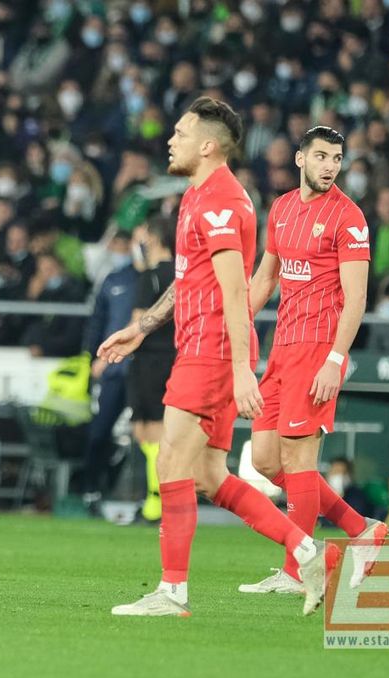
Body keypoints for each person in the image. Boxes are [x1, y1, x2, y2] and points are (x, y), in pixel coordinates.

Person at [98, 97, 336, 618]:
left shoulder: (222, 203)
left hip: (212, 350)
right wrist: (141, 327)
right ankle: (307, 551)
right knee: (208, 475)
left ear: (207, 146)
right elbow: (188, 280)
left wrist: (241, 371)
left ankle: (172, 592)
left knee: (171, 461)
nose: (171, 141)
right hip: (204, 347)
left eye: (181, 134)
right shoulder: (196, 195)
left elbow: (235, 292)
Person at [242, 126, 388, 595]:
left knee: (299, 460)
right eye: (322, 156)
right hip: (282, 348)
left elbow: (357, 298)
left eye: (337, 158)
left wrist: (335, 360)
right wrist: (232, 327)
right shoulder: (282, 208)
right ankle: (361, 529)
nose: (330, 166)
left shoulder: (349, 217)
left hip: (318, 349)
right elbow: (265, 279)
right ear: (300, 158)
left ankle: (297, 571)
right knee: (266, 460)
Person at [126, 216, 177, 521]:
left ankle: (157, 503)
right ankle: (153, 497)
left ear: (153, 238)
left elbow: (138, 321)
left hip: (149, 359)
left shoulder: (150, 277)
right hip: (172, 356)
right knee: (150, 431)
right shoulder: (180, 273)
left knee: (151, 431)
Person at [81, 232, 137, 506]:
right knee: (99, 431)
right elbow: (97, 320)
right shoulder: (112, 280)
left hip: (143, 370)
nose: (116, 249)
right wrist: (91, 355)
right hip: (112, 370)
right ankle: (92, 489)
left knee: (146, 436)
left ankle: (148, 496)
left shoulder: (150, 279)